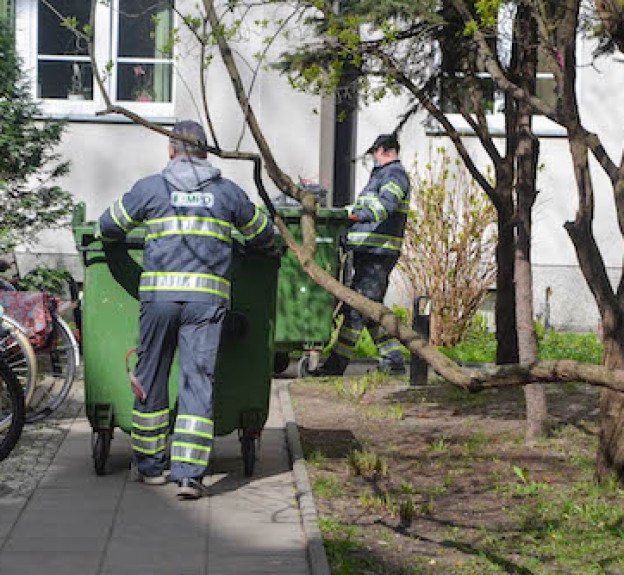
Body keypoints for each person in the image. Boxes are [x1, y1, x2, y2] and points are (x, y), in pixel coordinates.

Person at [97, 120, 274, 499]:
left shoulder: (151, 189)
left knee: (151, 376)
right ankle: (189, 476)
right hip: (206, 305)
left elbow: (108, 226)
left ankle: (149, 467)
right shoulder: (227, 193)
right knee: (198, 380)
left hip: (159, 301)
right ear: (206, 153)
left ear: (171, 151)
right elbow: (263, 233)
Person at [313, 133, 410, 377]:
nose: (373, 159)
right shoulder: (379, 176)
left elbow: (383, 207)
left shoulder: (394, 175)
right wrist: (340, 216)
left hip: (379, 253)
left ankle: (336, 366)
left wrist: (354, 217)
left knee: (357, 309)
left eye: (374, 154)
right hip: (368, 253)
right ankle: (394, 358)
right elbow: (360, 208)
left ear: (384, 150)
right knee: (369, 309)